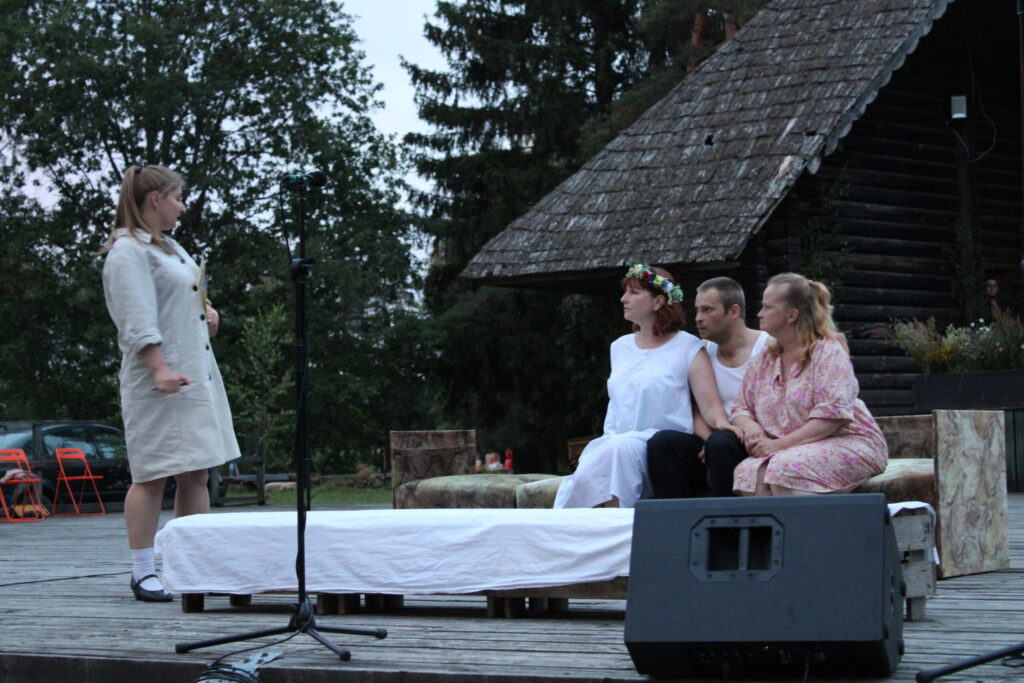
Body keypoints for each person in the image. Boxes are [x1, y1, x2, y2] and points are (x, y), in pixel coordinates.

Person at [102, 165, 240, 601]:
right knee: (152, 474)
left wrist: (209, 314)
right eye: (178, 198)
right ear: (156, 199)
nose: (182, 207)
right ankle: (143, 572)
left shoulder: (171, 248)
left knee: (196, 472)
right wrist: (159, 367)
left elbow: (185, 299)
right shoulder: (128, 251)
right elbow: (135, 318)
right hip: (158, 379)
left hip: (192, 375)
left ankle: (192, 565)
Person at [553, 263, 733, 508]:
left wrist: (723, 433)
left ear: (658, 301)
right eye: (625, 292)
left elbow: (710, 407)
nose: (623, 299)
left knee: (619, 451)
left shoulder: (688, 347)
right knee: (603, 455)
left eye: (634, 293)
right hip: (614, 443)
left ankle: (620, 524)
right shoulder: (619, 347)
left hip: (660, 448)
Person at [731, 273, 887, 495]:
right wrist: (751, 427)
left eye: (767, 307)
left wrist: (777, 445)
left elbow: (831, 419)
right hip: (792, 450)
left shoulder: (828, 353)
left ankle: (812, 520)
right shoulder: (765, 359)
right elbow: (741, 408)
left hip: (847, 441)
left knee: (785, 470)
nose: (760, 313)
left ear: (791, 315)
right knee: (748, 473)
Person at [647, 277, 769, 497]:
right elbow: (695, 408)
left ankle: (725, 517)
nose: (698, 318)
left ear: (733, 311)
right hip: (714, 439)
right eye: (697, 310)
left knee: (721, 444)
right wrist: (707, 441)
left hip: (755, 439)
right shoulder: (703, 350)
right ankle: (674, 516)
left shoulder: (767, 347)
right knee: (663, 443)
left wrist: (720, 441)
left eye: (707, 310)